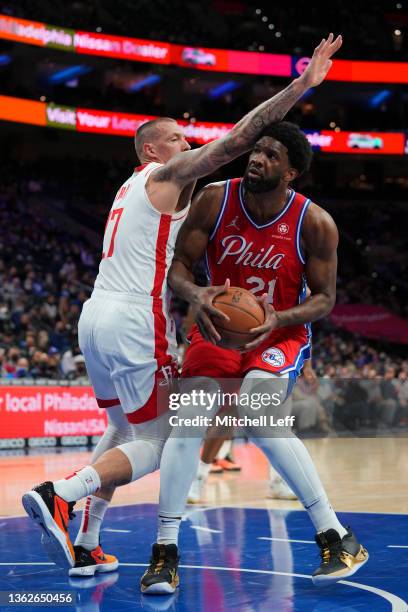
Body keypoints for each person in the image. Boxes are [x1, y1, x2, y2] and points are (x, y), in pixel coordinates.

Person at [21, 34, 343, 581]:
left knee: (123, 430)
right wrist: (301, 85)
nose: (188, 143)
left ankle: (89, 541)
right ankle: (62, 493)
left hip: (93, 317)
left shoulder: (129, 188)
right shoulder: (168, 175)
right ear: (153, 151)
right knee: (166, 436)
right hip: (130, 317)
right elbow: (239, 138)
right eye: (177, 139)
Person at [142, 119, 368, 593]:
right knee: (188, 422)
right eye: (256, 150)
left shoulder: (315, 221)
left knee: (259, 415)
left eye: (270, 156)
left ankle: (335, 534)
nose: (256, 159)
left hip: (278, 334)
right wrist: (198, 295)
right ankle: (165, 549)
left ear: (291, 174)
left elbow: (324, 299)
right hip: (214, 327)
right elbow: (179, 266)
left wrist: (278, 319)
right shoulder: (213, 198)